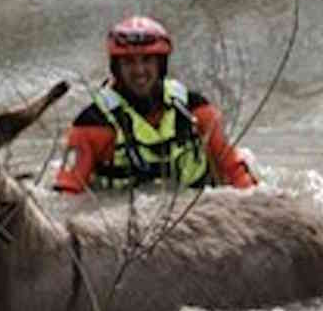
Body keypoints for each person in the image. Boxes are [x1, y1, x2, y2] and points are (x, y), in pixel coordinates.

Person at [54, 15, 257, 194]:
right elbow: (68, 193)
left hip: (197, 219)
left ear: (161, 65)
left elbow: (234, 172)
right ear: (116, 68)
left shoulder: (195, 110)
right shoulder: (91, 125)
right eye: (129, 62)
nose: (139, 71)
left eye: (147, 60)